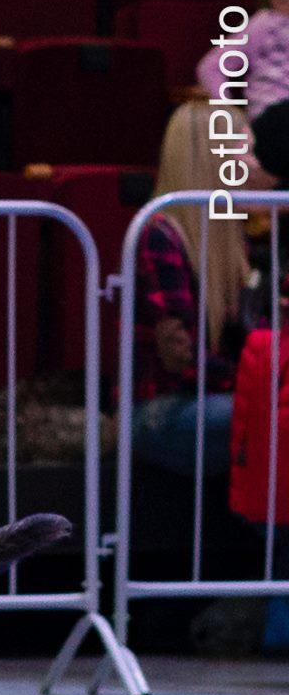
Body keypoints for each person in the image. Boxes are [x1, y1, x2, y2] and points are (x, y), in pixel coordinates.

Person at [131, 101, 260, 479]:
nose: (256, 162)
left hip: (209, 400)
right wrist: (261, 382)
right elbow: (182, 362)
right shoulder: (160, 235)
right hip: (161, 412)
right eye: (246, 150)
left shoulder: (232, 239)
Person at [200, 0, 289, 184]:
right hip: (272, 118)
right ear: (280, 0)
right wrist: (227, 107)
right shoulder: (263, 25)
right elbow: (212, 66)